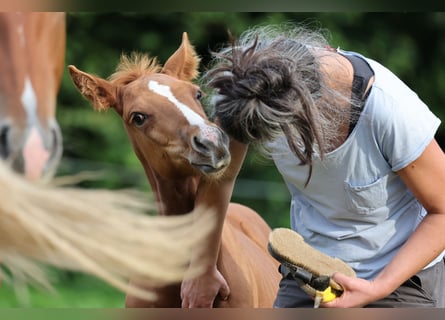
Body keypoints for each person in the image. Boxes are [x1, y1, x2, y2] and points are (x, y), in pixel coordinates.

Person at [180, 23, 445, 308]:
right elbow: (220, 175)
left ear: (310, 108)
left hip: (400, 278)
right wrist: (203, 267)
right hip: (310, 272)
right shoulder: (246, 88)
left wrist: (377, 288)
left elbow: (442, 211)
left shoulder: (389, 110)